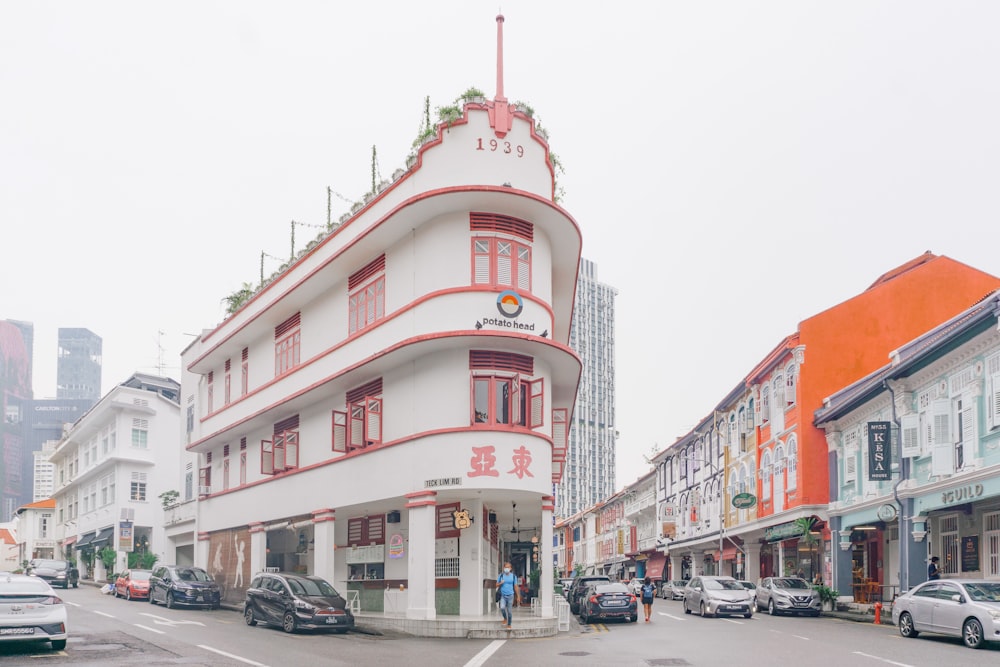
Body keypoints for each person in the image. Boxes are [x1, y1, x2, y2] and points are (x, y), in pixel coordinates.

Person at [496, 562, 519, 628]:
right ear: (503, 568)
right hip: (503, 595)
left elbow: (515, 586)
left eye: (508, 567)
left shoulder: (514, 576)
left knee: (509, 611)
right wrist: (501, 583)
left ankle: (509, 624)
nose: (507, 568)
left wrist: (518, 596)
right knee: (502, 608)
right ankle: (505, 618)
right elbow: (496, 585)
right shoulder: (501, 576)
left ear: (510, 568)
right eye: (505, 567)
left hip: (511, 596)